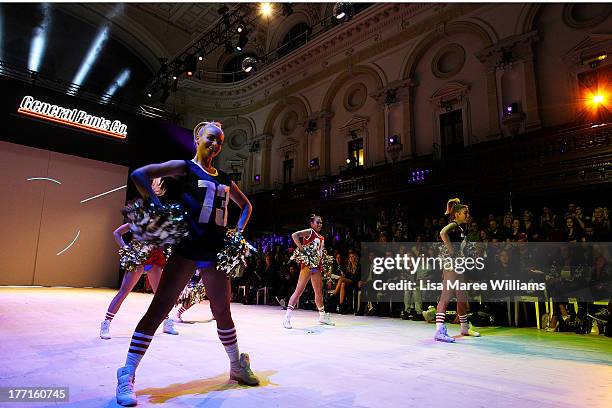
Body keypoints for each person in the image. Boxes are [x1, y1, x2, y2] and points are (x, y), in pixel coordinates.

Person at [115, 121, 259, 407]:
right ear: (197, 139)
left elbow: (247, 207)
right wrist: (155, 203)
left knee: (222, 311)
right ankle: (127, 372)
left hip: (215, 251)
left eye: (220, 141)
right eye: (211, 139)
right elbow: (141, 175)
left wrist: (237, 232)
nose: (216, 144)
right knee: (159, 308)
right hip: (186, 248)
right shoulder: (184, 167)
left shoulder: (225, 178)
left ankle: (235, 366)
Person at [100, 179, 178, 340]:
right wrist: (126, 249)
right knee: (124, 292)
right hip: (138, 257)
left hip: (155, 257)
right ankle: (106, 323)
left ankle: (166, 322)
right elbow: (117, 233)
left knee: (160, 294)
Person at [434, 198, 481, 343]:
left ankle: (464, 327)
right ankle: (439, 330)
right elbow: (442, 233)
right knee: (446, 295)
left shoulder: (460, 227)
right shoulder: (454, 225)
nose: (468, 215)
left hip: (458, 263)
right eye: (465, 213)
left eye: (467, 212)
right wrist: (450, 248)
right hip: (451, 263)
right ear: (457, 215)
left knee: (462, 296)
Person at [283, 214, 335, 329]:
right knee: (299, 291)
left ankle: (322, 316)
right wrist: (302, 249)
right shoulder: (310, 232)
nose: (320, 224)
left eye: (321, 222)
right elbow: (294, 235)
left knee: (318, 292)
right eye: (318, 222)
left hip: (317, 267)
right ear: (312, 224)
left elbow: (320, 253)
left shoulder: (321, 237)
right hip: (307, 266)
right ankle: (287, 317)